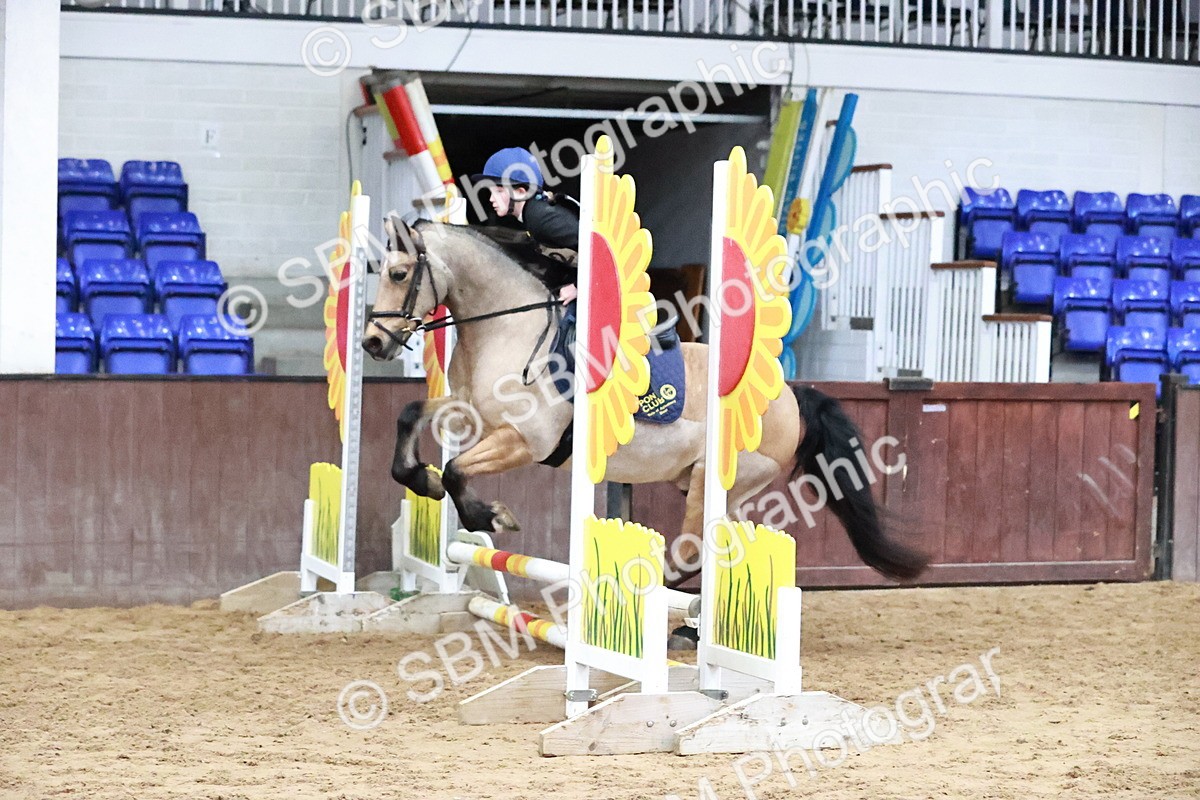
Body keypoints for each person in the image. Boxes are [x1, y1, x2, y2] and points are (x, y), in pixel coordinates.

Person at [473, 147, 579, 304]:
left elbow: (597, 247)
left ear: (521, 192)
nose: (491, 199)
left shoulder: (540, 218)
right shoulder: (532, 214)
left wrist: (578, 287)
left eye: (499, 191)